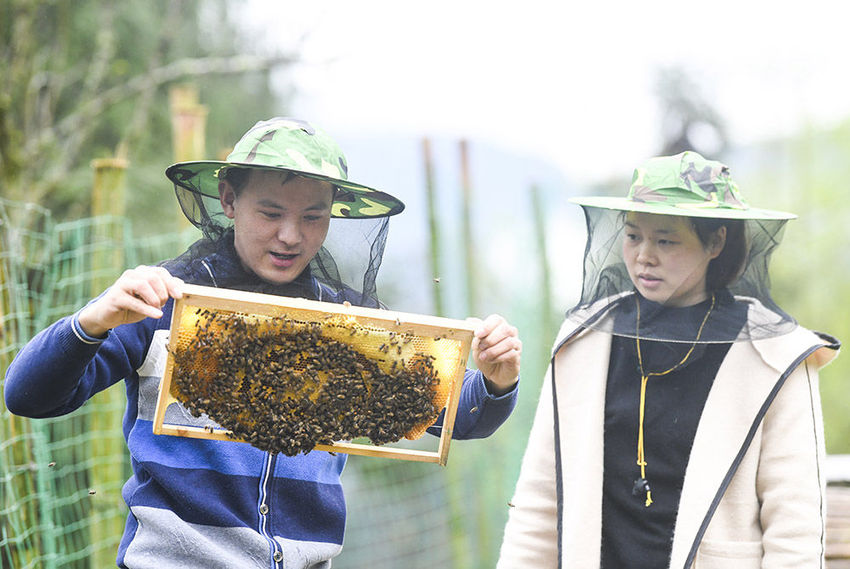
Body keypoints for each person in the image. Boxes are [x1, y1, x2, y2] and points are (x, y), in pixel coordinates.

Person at [4, 117, 522, 569]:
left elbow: (464, 415)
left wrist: (498, 376)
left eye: (312, 217)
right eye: (271, 213)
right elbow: (27, 396)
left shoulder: (348, 323)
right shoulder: (163, 299)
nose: (291, 236)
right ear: (229, 200)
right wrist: (92, 322)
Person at [497, 151, 839, 568]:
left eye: (666, 240)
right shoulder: (585, 341)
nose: (644, 256)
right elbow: (540, 501)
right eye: (633, 235)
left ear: (715, 242)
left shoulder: (776, 358)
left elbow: (795, 527)